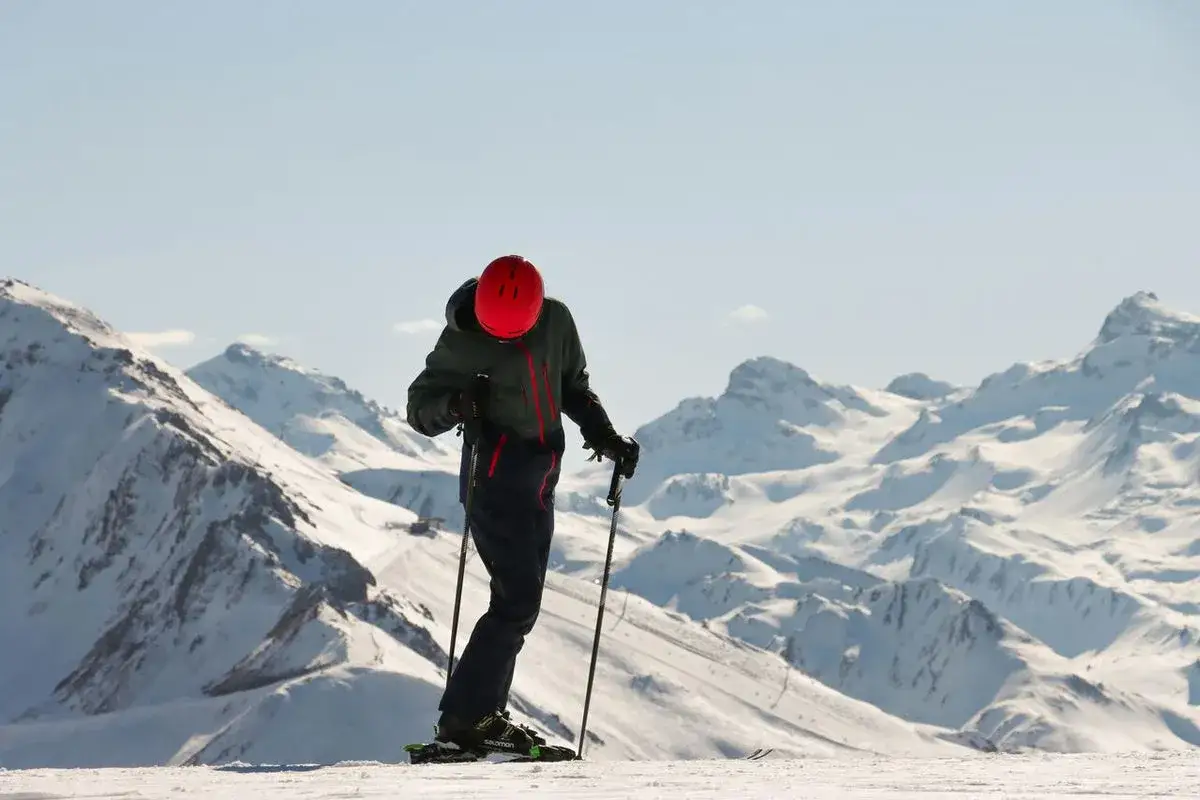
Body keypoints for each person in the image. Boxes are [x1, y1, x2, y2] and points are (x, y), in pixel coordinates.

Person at [406, 254, 640, 754]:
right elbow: (418, 409)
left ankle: (483, 715)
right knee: (516, 600)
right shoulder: (463, 340)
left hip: (539, 480)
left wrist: (605, 435)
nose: (508, 340)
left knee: (521, 604)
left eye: (517, 331)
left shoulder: (555, 320)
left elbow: (572, 386)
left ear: (536, 311)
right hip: (491, 481)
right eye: (499, 333)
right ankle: (465, 720)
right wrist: (454, 406)